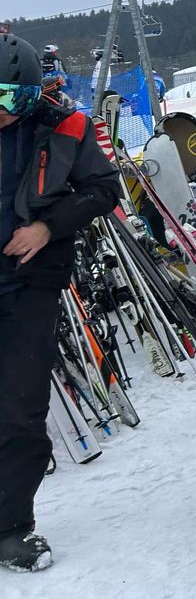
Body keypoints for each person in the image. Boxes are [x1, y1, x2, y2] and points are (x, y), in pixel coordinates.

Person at [0, 35, 122, 572]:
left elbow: (103, 190)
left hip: (30, 286)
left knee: (22, 412)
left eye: (11, 100)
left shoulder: (63, 126)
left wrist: (48, 228)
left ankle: (11, 527)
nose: (1, 113)